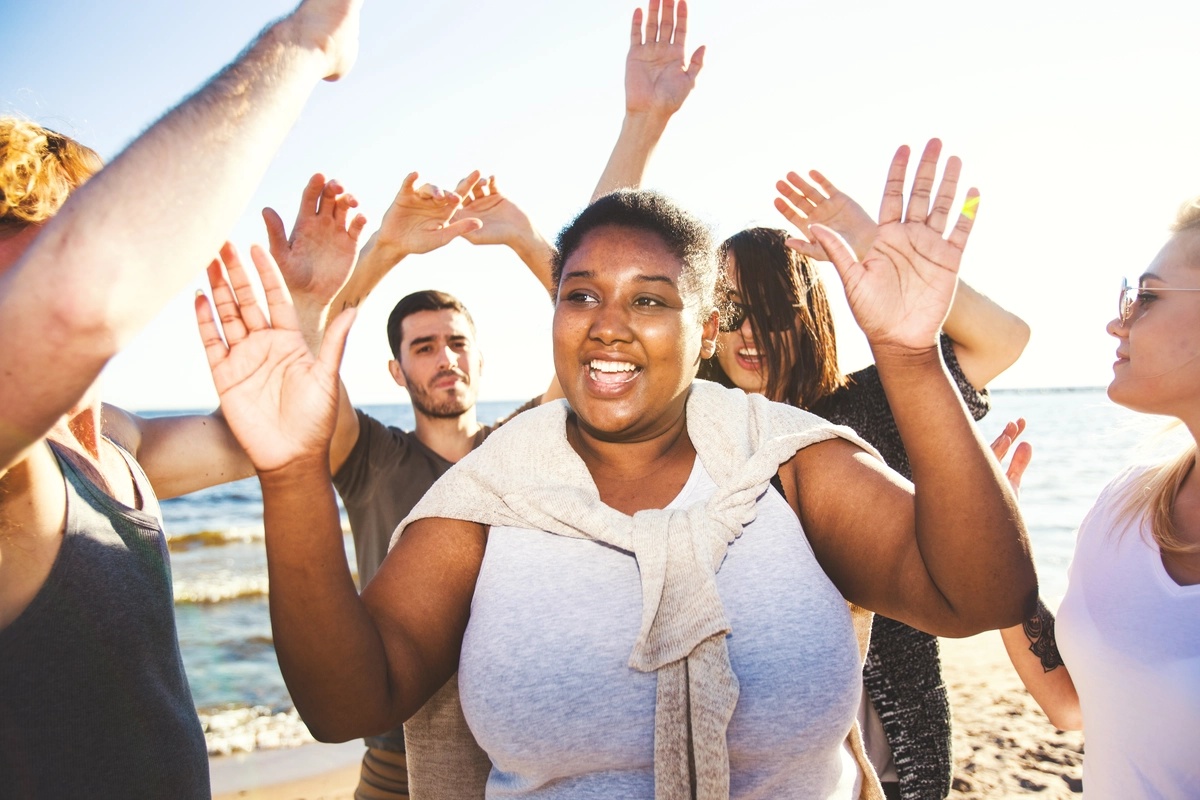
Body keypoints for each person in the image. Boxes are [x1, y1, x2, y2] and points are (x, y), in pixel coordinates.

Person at [197, 137, 1037, 799]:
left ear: (704, 329)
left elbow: (981, 595)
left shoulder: (789, 461)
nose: (608, 323)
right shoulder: (491, 492)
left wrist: (908, 353)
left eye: (649, 299)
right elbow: (349, 701)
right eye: (581, 293)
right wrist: (290, 474)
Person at [0, 1, 362, 796]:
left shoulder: (109, 443)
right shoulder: (13, 476)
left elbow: (249, 438)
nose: (74, 250)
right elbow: (71, 306)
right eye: (44, 230)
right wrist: (302, 44)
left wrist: (304, 307)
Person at [698, 142, 1029, 800]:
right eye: (730, 307)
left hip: (888, 726)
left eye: (769, 304)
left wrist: (870, 241)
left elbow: (1003, 340)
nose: (749, 331)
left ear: (806, 314)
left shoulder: (870, 404)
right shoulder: (695, 433)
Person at [264, 167, 559, 799]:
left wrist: (527, 241)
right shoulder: (369, 455)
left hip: (522, 761)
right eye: (424, 347)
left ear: (480, 360)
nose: (445, 357)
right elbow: (307, 354)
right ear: (397, 373)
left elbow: (591, 339)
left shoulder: (523, 442)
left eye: (456, 343)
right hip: (397, 769)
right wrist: (385, 249)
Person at [996, 198, 1200, 798]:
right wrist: (1000, 538)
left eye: (1149, 297)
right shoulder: (1125, 507)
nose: (1120, 323)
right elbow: (1070, 703)